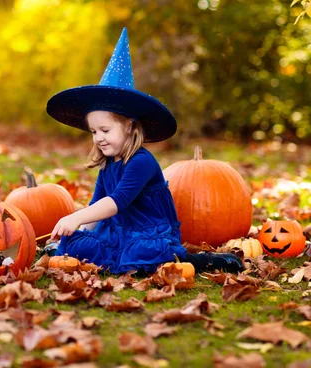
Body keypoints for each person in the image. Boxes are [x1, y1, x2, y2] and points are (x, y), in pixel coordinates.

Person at [45, 28, 243, 274]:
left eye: (105, 130)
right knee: (77, 242)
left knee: (141, 255)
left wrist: (75, 217)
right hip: (117, 231)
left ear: (128, 126)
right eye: (94, 132)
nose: (98, 138)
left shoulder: (141, 161)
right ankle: (86, 249)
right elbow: (96, 204)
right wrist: (78, 229)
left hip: (147, 232)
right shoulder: (108, 164)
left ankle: (202, 260)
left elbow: (117, 202)